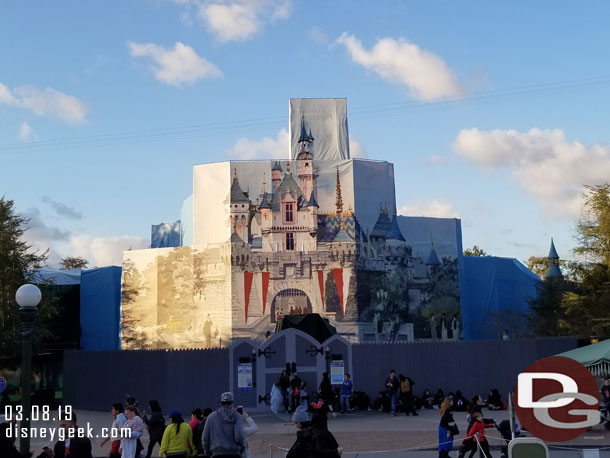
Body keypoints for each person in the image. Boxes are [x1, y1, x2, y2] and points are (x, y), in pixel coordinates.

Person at [203, 392, 245, 458]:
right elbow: (239, 436)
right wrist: (241, 447)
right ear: (232, 402)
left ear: (221, 402)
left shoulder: (211, 416)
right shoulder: (237, 416)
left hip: (217, 453)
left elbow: (205, 438)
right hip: (234, 453)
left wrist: (207, 451)